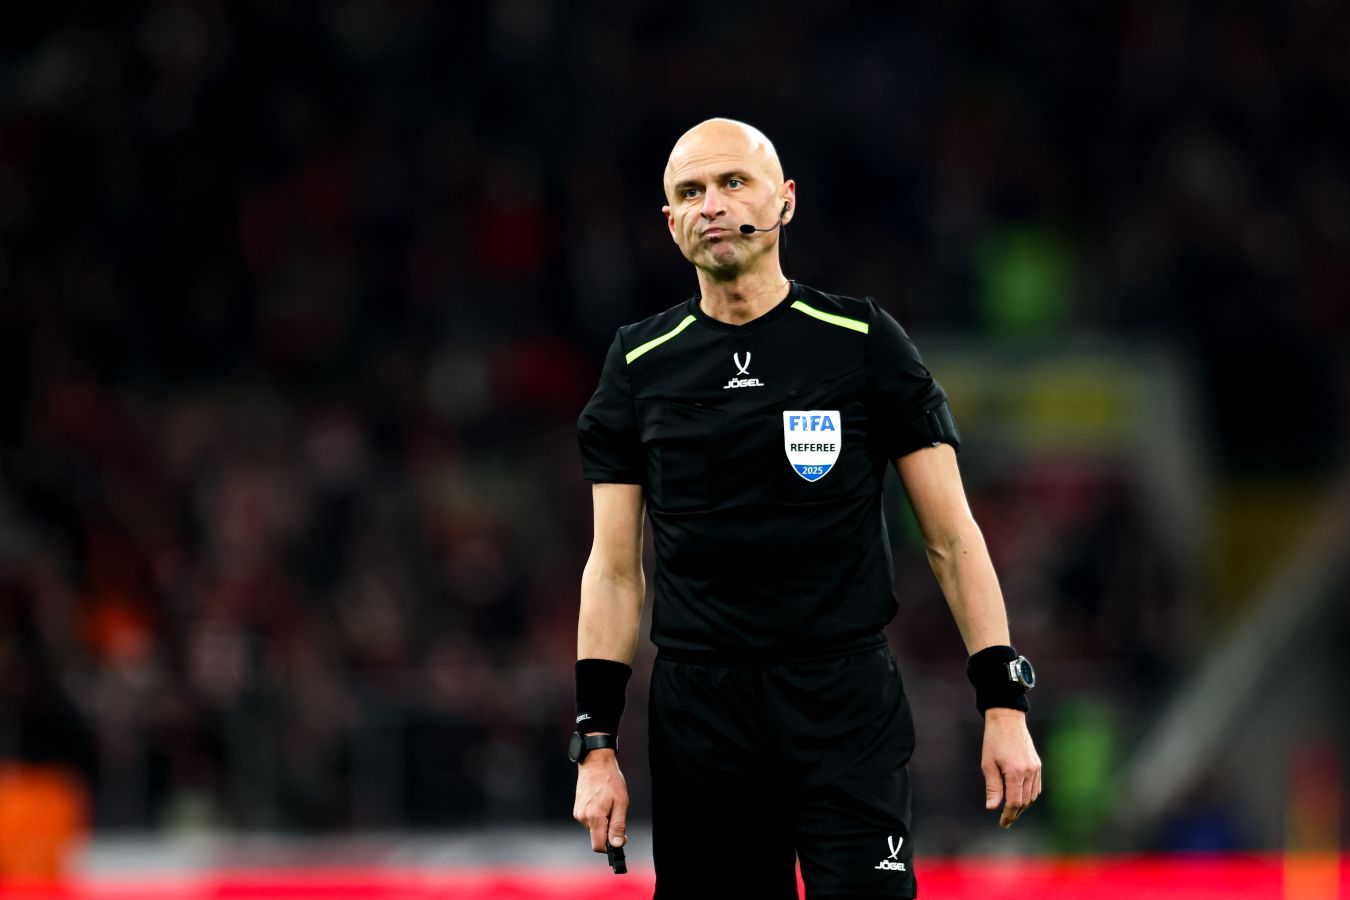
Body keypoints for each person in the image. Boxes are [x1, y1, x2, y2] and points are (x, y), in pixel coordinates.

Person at [570, 118, 1042, 899]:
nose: (713, 205)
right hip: (703, 716)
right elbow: (615, 571)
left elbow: (952, 538)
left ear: (785, 200)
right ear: (670, 221)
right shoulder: (637, 365)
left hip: (844, 701)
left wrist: (1003, 701)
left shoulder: (862, 341)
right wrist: (596, 744)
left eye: (733, 182)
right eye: (691, 191)